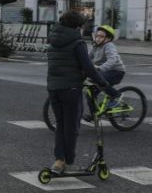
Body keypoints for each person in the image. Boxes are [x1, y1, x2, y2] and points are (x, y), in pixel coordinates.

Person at [46, 11, 119, 175]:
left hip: (53, 88)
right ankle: (68, 162)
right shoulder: (77, 43)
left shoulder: (53, 40)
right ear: (77, 26)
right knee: (71, 127)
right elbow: (88, 68)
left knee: (61, 125)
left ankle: (58, 161)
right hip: (71, 89)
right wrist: (103, 84)